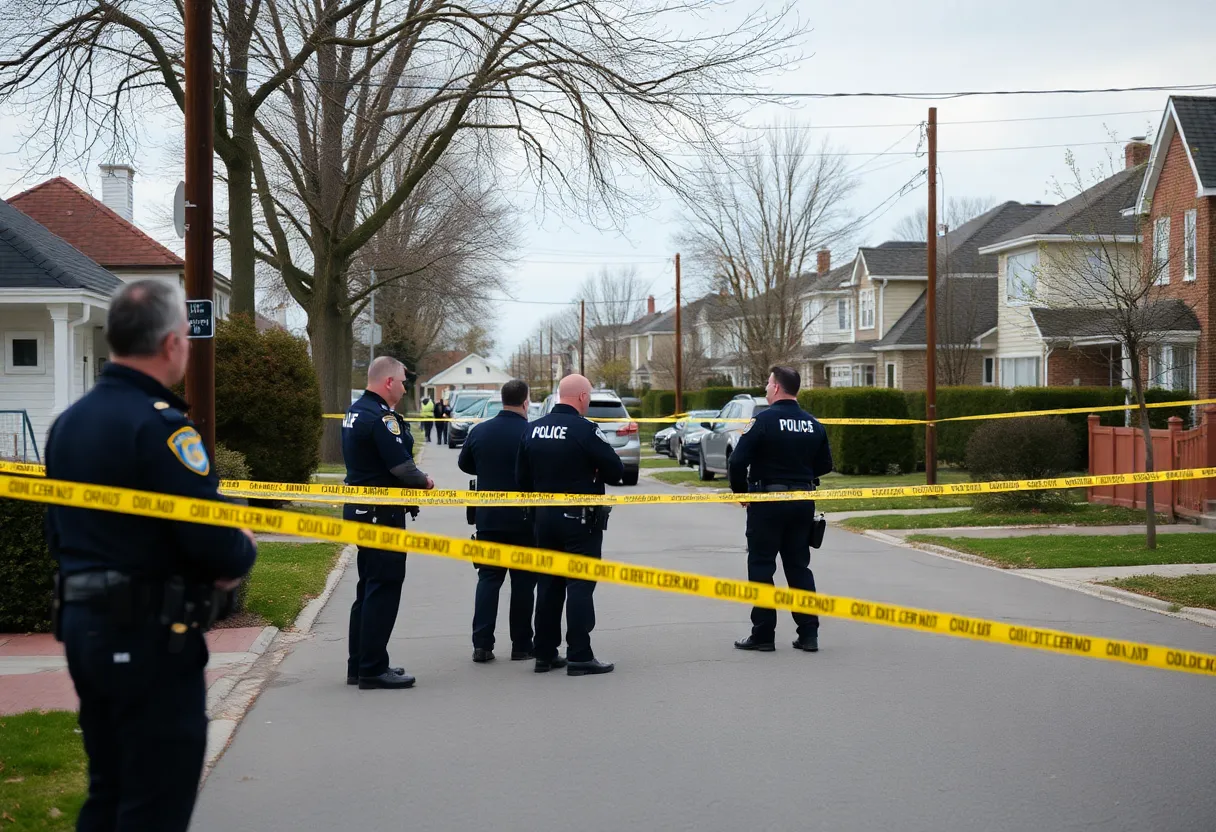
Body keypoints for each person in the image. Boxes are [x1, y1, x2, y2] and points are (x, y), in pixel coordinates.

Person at [44, 280, 257, 832]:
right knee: (154, 801)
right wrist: (242, 545)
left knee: (108, 790)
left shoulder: (68, 424)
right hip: (148, 636)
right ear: (170, 344)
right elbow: (209, 538)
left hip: (86, 629)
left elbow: (56, 530)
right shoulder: (163, 428)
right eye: (186, 337)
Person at [517, 374, 624, 676]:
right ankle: (579, 654)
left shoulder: (533, 430)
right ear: (580, 397)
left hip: (543, 517)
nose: (588, 401)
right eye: (588, 396)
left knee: (548, 584)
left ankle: (545, 653)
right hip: (579, 518)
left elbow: (521, 479)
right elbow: (615, 470)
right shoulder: (585, 430)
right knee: (579, 584)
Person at [343, 356, 435, 690]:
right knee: (383, 587)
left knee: (367, 587)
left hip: (362, 510)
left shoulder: (355, 411)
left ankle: (359, 664)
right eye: (402, 382)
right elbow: (402, 468)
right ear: (388, 382)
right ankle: (372, 668)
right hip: (382, 513)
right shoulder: (381, 418)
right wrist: (424, 481)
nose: (404, 387)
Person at [727, 365, 834, 653]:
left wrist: (742, 493)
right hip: (802, 503)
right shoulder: (813, 424)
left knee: (762, 566)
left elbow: (737, 461)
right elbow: (826, 464)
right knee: (799, 567)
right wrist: (801, 474)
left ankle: (763, 635)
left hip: (767, 503)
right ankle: (808, 634)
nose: (765, 387)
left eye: (767, 383)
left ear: (776, 388)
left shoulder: (762, 421)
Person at [457, 379, 537, 663]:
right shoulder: (531, 432)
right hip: (524, 520)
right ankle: (522, 645)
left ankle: (482, 645)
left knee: (488, 580)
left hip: (488, 518)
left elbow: (465, 464)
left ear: (502, 400)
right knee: (524, 584)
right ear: (525, 402)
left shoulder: (480, 431)